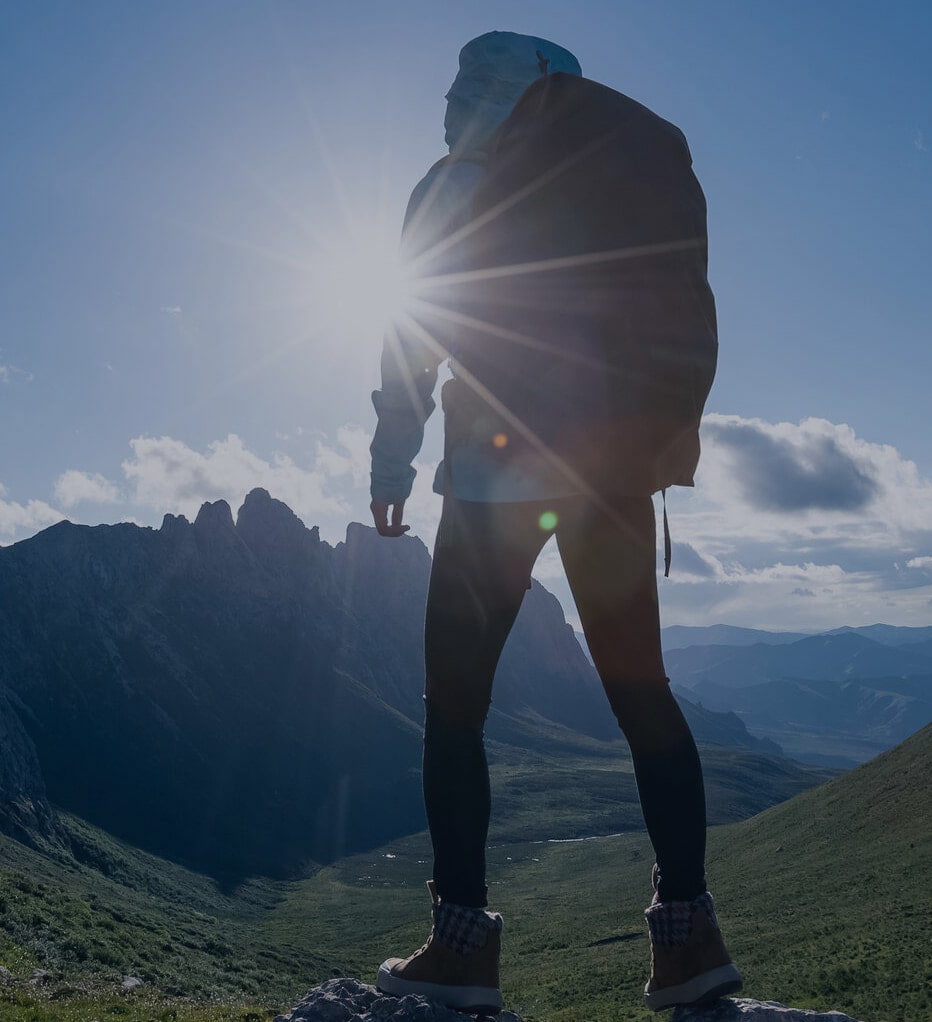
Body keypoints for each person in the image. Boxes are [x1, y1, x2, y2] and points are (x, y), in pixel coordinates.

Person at [365, 31, 733, 1013]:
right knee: (643, 694)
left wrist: (392, 459)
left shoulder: (453, 183)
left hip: (495, 479)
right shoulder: (612, 167)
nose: (447, 106)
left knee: (455, 709)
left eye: (459, 89)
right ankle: (689, 939)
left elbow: (414, 336)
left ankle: (461, 950)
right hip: (613, 470)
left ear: (483, 93)